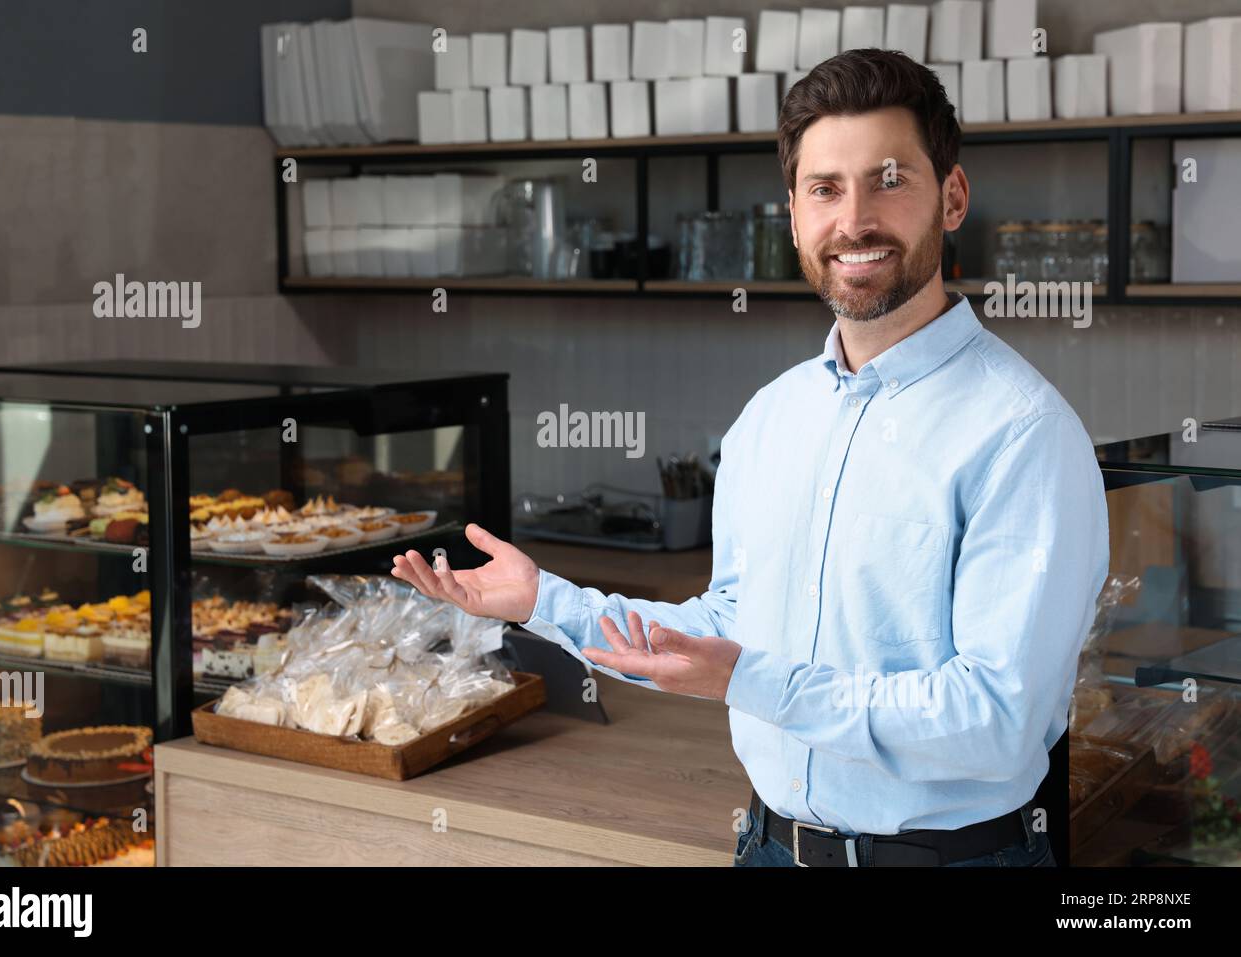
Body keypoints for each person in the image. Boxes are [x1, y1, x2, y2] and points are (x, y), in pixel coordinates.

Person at [391, 49, 1108, 868]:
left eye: (889, 180)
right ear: (796, 215)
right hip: (767, 846)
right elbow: (731, 627)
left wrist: (752, 683)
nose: (855, 220)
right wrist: (544, 602)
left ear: (951, 197)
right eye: (826, 189)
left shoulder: (1022, 433)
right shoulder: (770, 419)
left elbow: (993, 717)